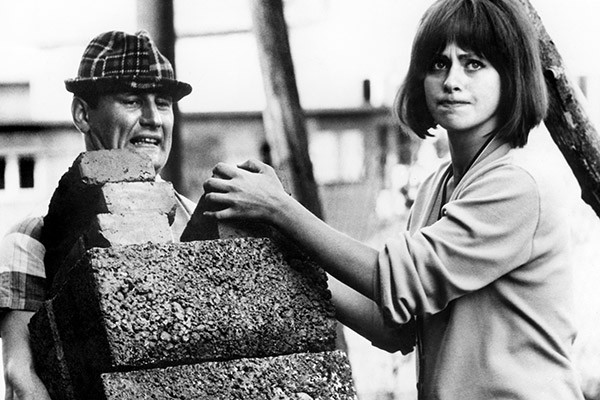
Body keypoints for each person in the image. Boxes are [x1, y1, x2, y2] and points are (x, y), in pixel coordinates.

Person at [202, 0, 586, 398]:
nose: (452, 81)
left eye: (473, 64)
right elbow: (394, 326)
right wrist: (284, 249)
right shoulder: (437, 186)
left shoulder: (519, 184)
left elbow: (400, 279)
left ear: (511, 76)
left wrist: (281, 209)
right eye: (438, 64)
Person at [0, 30, 194, 399]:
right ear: (82, 113)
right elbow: (21, 379)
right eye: (132, 100)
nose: (153, 119)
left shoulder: (195, 220)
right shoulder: (32, 237)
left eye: (163, 103)